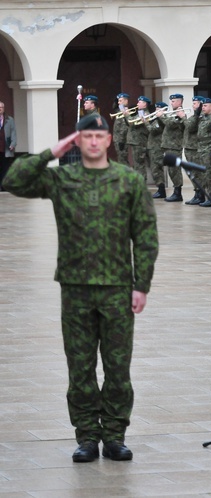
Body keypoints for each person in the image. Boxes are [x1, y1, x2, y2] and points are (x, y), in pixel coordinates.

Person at [2, 113, 158, 463]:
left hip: (118, 288)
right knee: (81, 369)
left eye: (97, 136)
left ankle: (115, 435)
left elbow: (146, 237)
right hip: (75, 288)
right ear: (78, 140)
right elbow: (12, 181)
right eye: (84, 136)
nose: (91, 142)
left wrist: (141, 285)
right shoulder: (62, 178)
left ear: (108, 140)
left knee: (118, 369)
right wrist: (49, 153)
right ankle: (87, 436)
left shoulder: (128, 180)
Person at [0, 100, 18, 189]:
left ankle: (4, 186)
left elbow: (13, 133)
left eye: (1, 107)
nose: (0, 109)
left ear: (4, 109)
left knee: (5, 168)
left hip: (6, 148)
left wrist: (13, 144)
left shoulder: (9, 119)